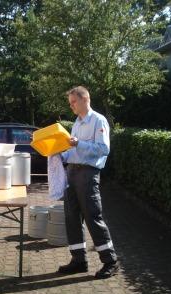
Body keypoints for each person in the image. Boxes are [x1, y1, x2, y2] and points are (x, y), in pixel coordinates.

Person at [59, 86, 118, 279]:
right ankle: (79, 261)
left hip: (87, 174)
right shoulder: (77, 122)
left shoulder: (98, 120)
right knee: (71, 218)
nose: (71, 106)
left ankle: (110, 261)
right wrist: (58, 152)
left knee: (92, 216)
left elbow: (104, 149)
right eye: (70, 103)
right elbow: (73, 151)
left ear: (85, 99)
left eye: (73, 102)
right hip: (72, 173)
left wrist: (78, 144)